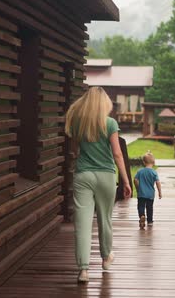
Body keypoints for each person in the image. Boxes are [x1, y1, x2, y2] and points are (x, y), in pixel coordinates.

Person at [64, 87, 132, 283]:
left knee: (82, 223)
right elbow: (117, 154)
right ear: (104, 104)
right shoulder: (110, 123)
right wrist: (126, 181)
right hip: (106, 176)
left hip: (83, 175)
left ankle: (83, 270)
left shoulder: (78, 122)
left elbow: (76, 151)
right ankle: (106, 258)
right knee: (105, 219)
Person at [134, 152, 162, 230]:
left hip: (141, 193)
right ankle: (149, 221)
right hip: (150, 194)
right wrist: (160, 192)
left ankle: (142, 216)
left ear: (143, 162)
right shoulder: (154, 172)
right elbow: (158, 182)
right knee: (149, 207)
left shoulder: (140, 171)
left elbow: (135, 180)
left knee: (141, 206)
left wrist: (138, 188)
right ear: (153, 162)